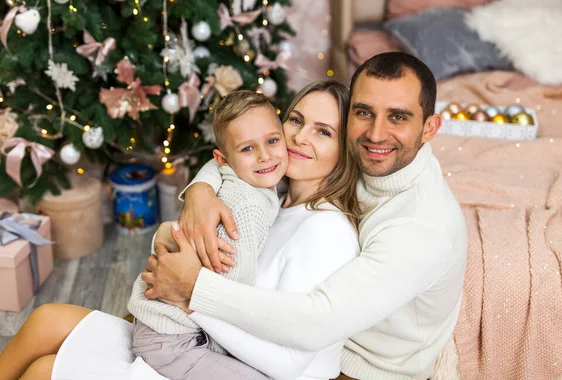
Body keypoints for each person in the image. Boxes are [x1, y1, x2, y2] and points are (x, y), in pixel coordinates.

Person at [0, 79, 362, 380]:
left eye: (323, 132)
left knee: (45, 372)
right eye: (296, 121)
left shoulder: (325, 232)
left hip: (237, 363)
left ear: (344, 150)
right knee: (46, 321)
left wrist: (190, 298)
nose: (300, 138)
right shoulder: (274, 188)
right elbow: (223, 162)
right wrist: (197, 195)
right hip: (196, 337)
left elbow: (287, 363)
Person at [144, 52, 468, 379]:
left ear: (430, 127)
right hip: (273, 348)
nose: (376, 133)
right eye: (365, 112)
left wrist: (192, 291)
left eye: (398, 117)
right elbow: (238, 150)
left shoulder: (418, 228)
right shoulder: (301, 179)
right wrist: (201, 191)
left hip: (362, 370)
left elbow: (316, 323)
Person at [127, 90, 287, 379]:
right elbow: (231, 284)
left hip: (165, 327)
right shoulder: (249, 207)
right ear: (224, 159)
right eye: (248, 149)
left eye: (273, 141)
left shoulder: (239, 177)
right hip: (175, 339)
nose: (265, 156)